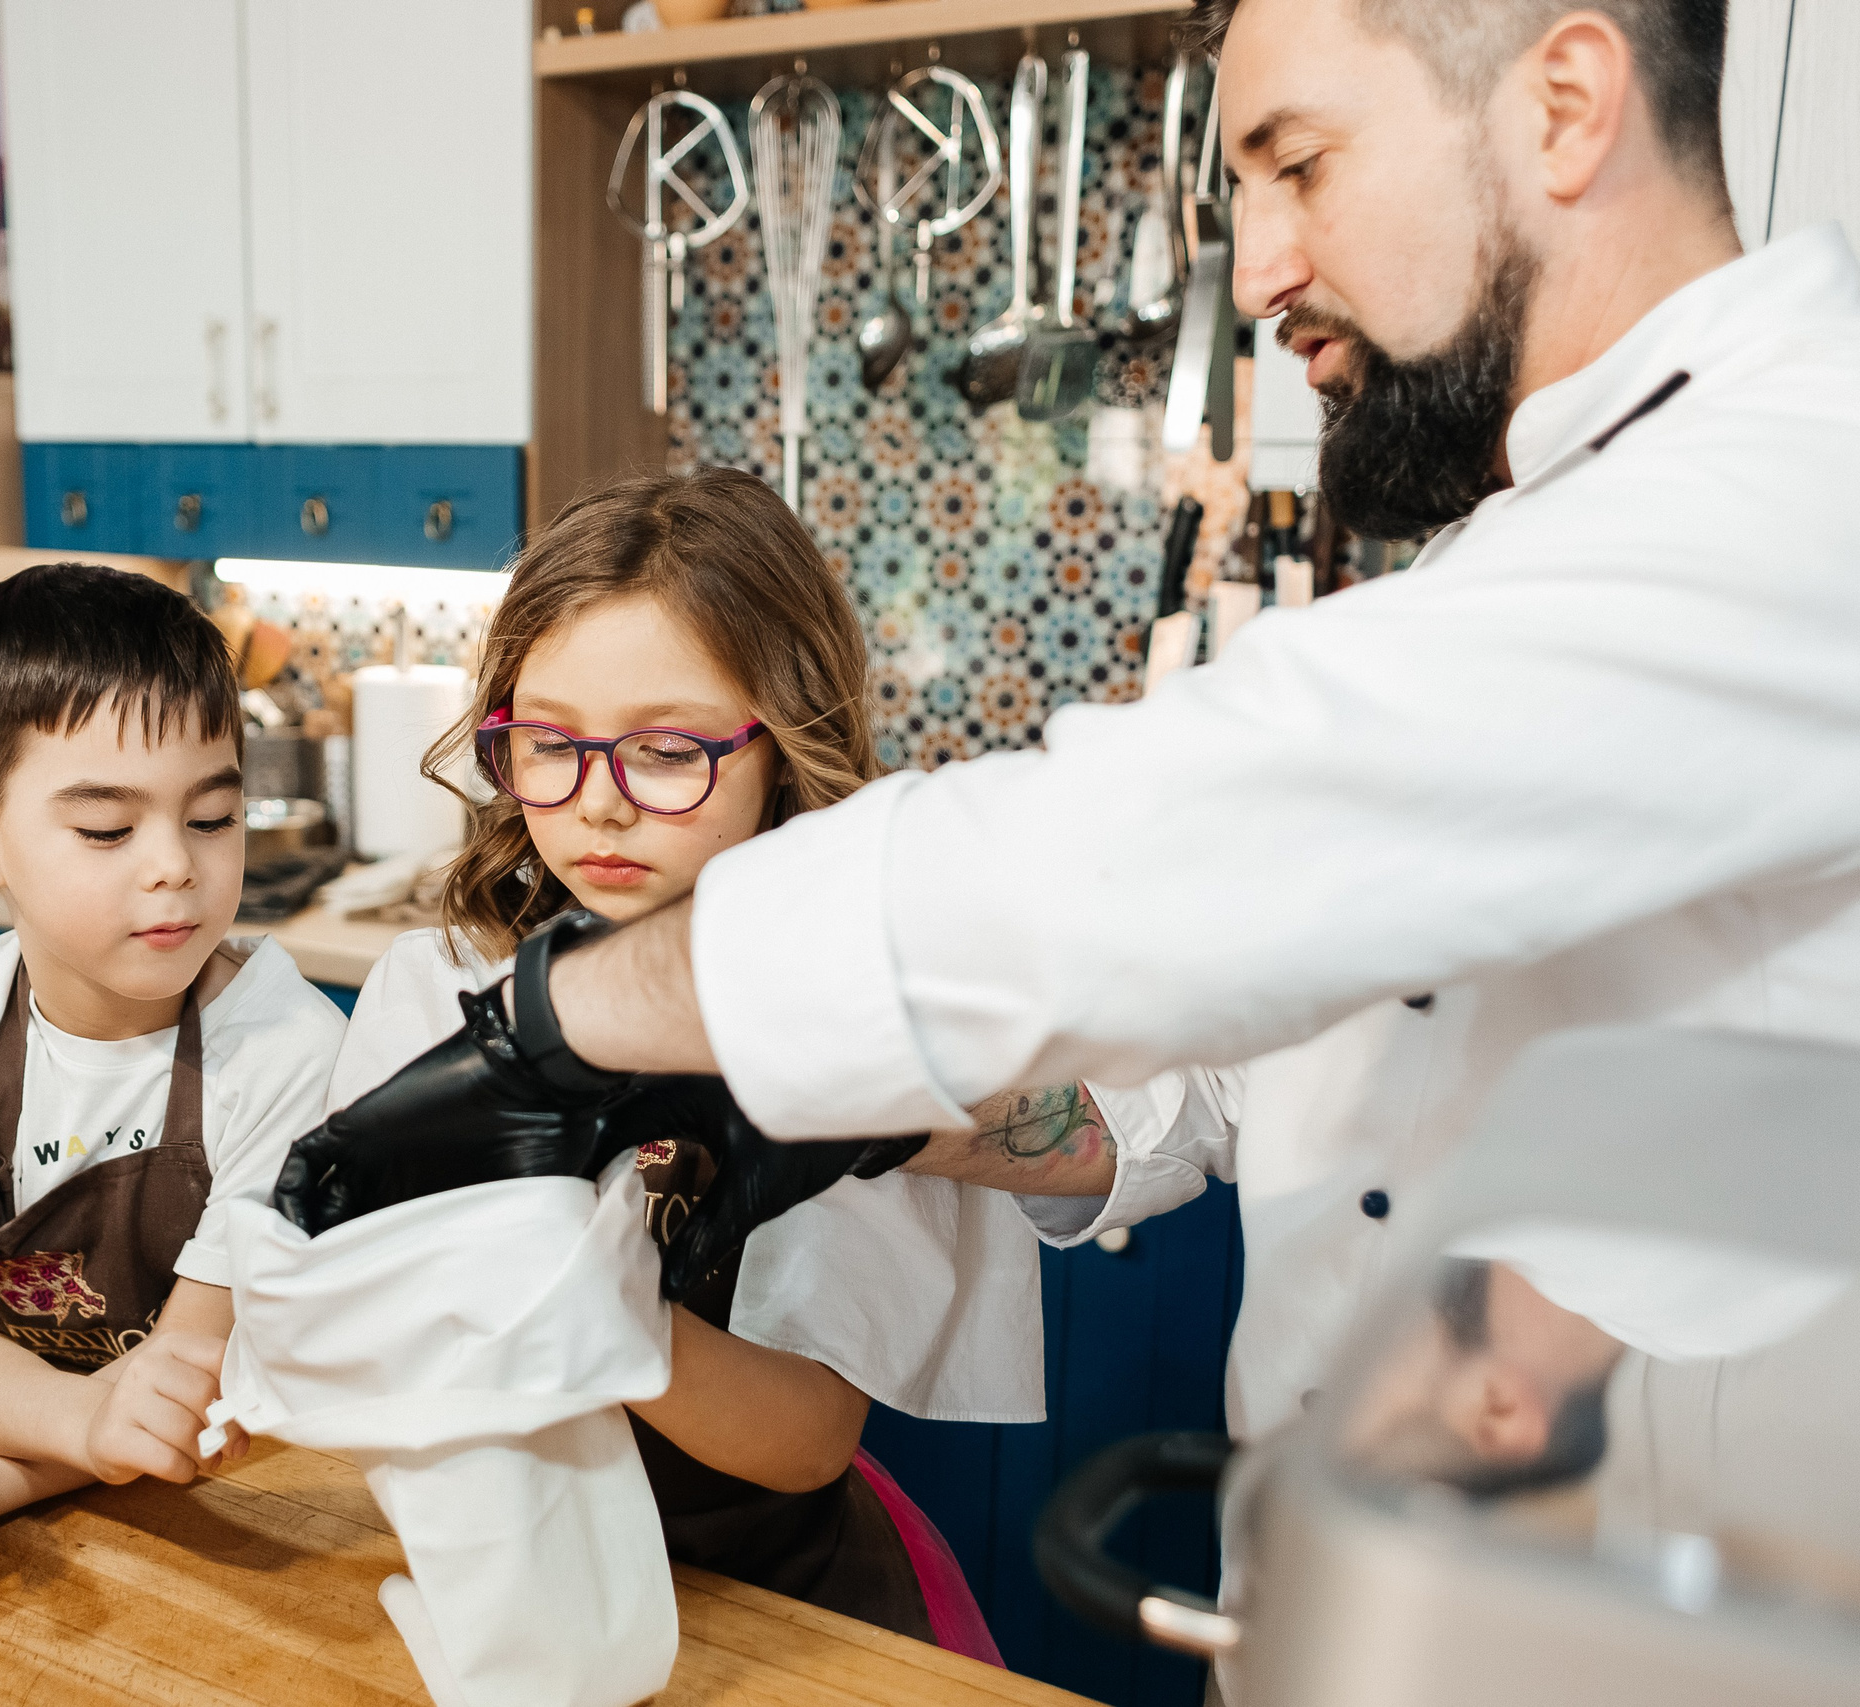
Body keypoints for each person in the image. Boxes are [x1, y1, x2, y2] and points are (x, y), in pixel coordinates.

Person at [291, 0, 1860, 1482]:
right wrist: (879, 1115)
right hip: (1363, 1579)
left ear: (1566, 106)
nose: (1257, 272)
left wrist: (565, 1019)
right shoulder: (1517, 549)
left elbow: (1145, 861)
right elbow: (1230, 1079)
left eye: (1301, 166)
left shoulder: (1795, 505)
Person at [318, 469, 1025, 1657]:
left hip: (771, 1607)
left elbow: (807, 1437)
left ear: (779, 752)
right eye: (547, 745)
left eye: (664, 751)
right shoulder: (438, 989)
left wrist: (602, 1304)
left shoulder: (832, 1035)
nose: (597, 806)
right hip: (506, 1578)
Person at [0, 563, 347, 1624]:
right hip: (84, 1466)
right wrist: (65, 1430)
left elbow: (194, 1381)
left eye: (213, 817)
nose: (173, 868)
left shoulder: (289, 1051)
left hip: (259, 1507)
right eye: (106, 830)